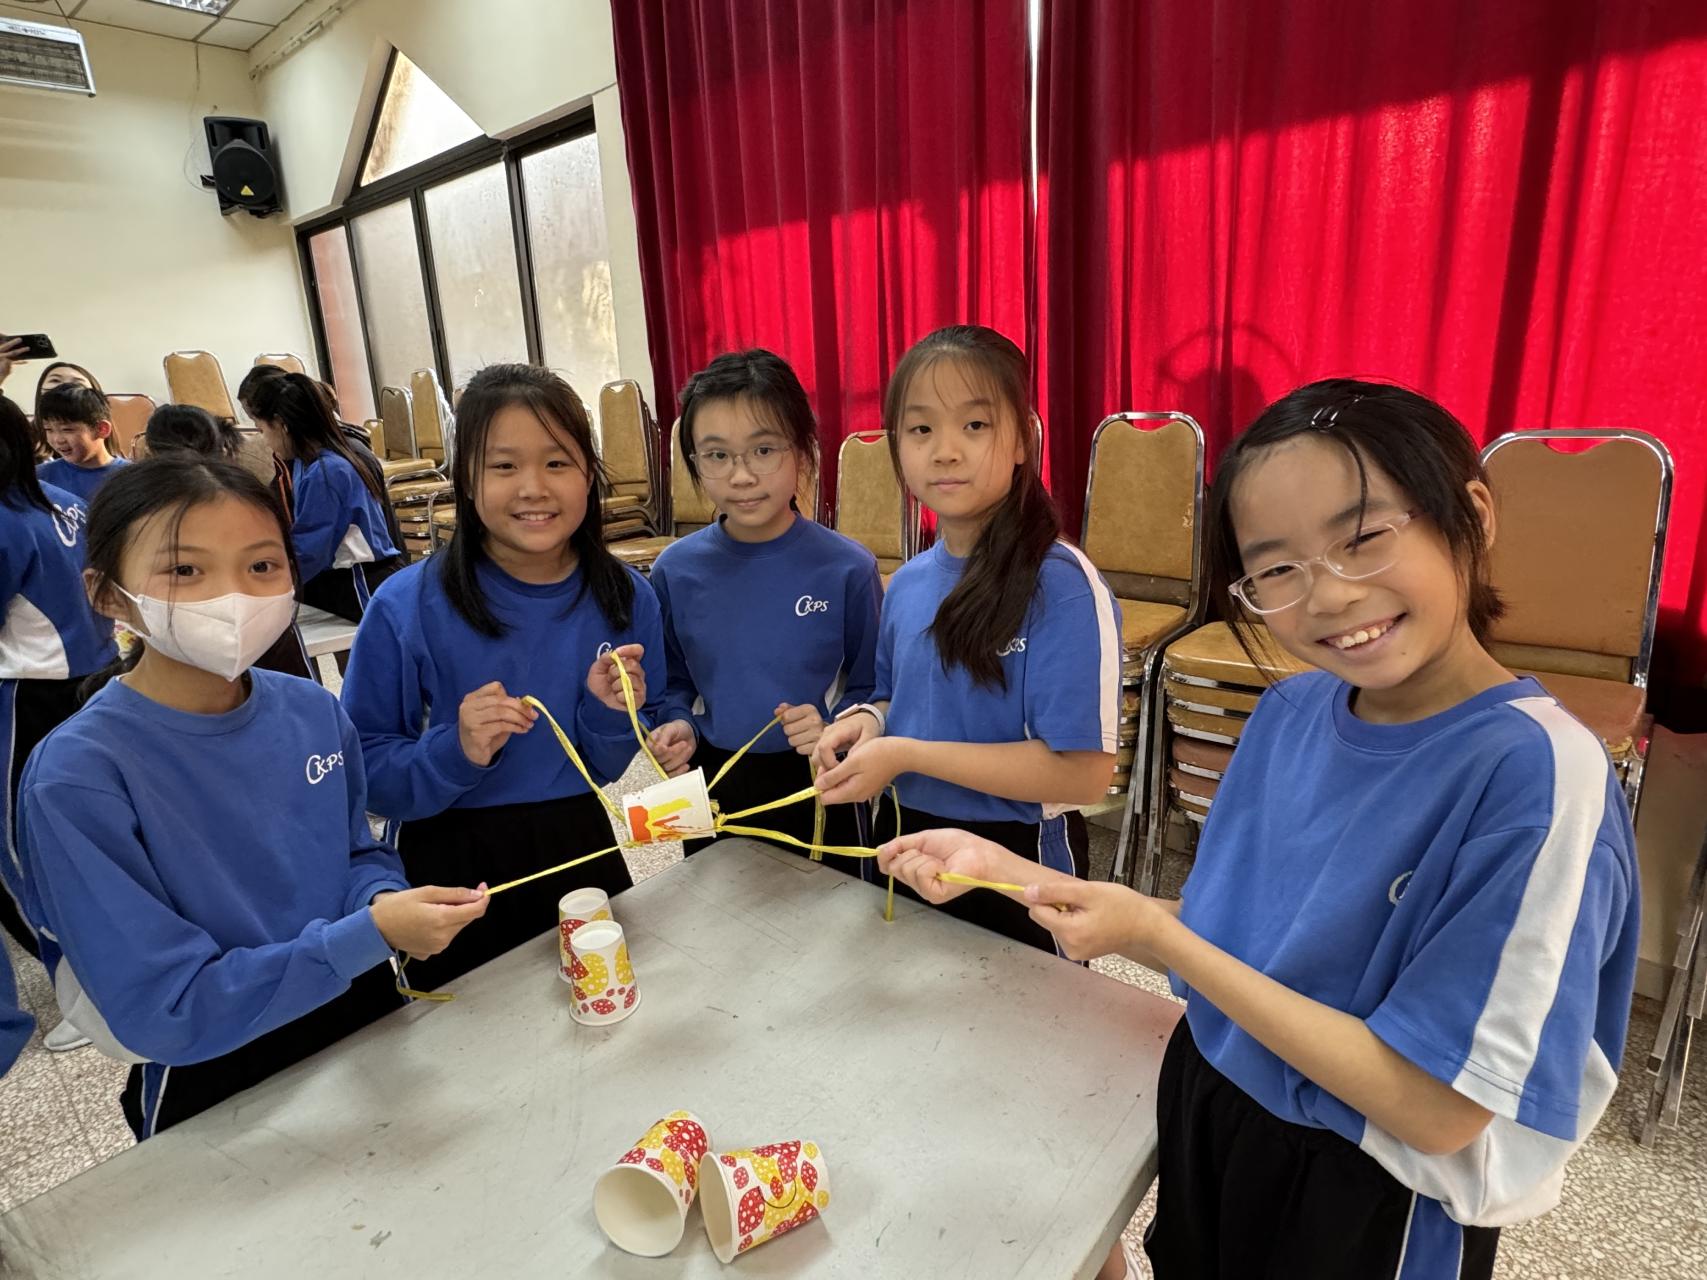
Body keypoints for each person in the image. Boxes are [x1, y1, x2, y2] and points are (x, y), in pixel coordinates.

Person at [879, 379, 1640, 1280]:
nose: (1327, 596)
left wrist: (1163, 936)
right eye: (1276, 569)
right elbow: (1227, 940)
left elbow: (1436, 1107)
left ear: (1470, 517)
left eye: (1363, 537)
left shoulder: (1536, 777)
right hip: (1216, 1098)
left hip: (1365, 1188)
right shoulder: (1291, 712)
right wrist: (1014, 875)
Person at [11, 458, 489, 1139]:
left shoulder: (311, 711)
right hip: (220, 1072)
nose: (231, 596)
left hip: (361, 1014)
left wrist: (380, 903)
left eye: (261, 566)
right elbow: (166, 1006)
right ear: (108, 594)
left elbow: (354, 854)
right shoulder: (79, 776)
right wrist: (363, 937)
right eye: (185, 570)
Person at [343, 364, 666, 989]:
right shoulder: (406, 605)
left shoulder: (628, 597)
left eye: (557, 462)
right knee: (472, 1025)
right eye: (504, 465)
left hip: (591, 840)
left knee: (604, 1002)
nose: (533, 488)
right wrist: (457, 749)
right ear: (467, 478)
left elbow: (623, 767)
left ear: (589, 474)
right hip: (456, 856)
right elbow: (370, 775)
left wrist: (610, 716)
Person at [812, 326, 1121, 950]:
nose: (945, 452)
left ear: (1022, 440)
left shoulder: (1060, 585)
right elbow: (896, 698)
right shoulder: (907, 583)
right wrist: (870, 721)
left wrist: (906, 754)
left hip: (1016, 859)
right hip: (907, 841)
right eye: (920, 429)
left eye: (974, 425)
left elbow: (1082, 774)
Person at [636, 350, 880, 867]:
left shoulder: (847, 568)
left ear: (802, 450)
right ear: (694, 462)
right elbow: (670, 683)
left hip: (819, 774)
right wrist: (677, 725)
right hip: (714, 777)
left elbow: (873, 688)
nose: (742, 475)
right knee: (716, 904)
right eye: (717, 455)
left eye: (763, 450)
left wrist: (833, 726)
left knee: (837, 908)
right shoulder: (676, 570)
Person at [0, 392, 117, 1054]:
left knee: (23, 854)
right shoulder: (61, 501)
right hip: (91, 682)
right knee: (93, 838)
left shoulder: (6, 519)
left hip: (29, 697)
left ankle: (82, 992)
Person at [143, 403, 316, 681]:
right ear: (218, 443)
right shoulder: (248, 494)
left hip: (197, 626)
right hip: (261, 618)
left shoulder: (148, 512)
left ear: (150, 451)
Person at [245, 371, 405, 622]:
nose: (265, 441)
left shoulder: (328, 470)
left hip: (361, 581)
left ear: (281, 425)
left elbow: (310, 550)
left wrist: (263, 578)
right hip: (346, 577)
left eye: (262, 430)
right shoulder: (308, 463)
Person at [35, 382, 128, 502]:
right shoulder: (39, 477)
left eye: (67, 430)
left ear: (102, 429)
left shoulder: (131, 477)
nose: (58, 439)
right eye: (49, 429)